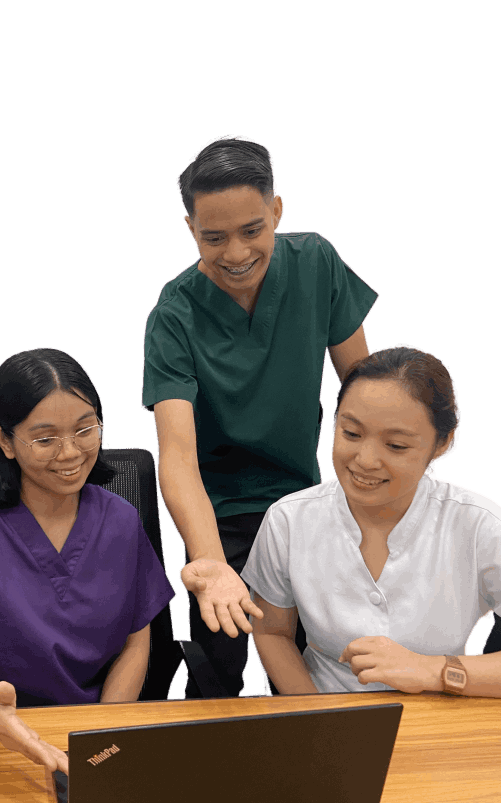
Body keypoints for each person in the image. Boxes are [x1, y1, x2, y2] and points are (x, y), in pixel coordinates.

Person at [142, 136, 377, 697]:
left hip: (308, 501)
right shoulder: (173, 314)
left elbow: (365, 392)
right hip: (220, 514)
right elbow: (178, 458)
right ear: (190, 229)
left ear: (277, 210)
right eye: (214, 238)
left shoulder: (316, 261)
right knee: (221, 661)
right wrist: (211, 564)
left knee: (327, 658)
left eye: (252, 230)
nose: (236, 253)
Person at [244, 344, 501, 697]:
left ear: (444, 444)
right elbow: (272, 631)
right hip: (328, 707)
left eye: (396, 445)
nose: (365, 460)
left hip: (440, 713)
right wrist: (316, 713)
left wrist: (435, 671)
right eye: (351, 433)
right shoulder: (289, 520)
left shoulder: (479, 524)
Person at [0, 349, 175, 776]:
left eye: (85, 430)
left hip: (97, 732)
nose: (70, 453)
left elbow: (135, 643)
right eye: (46, 439)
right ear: (5, 442)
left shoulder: (121, 520)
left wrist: (102, 731)